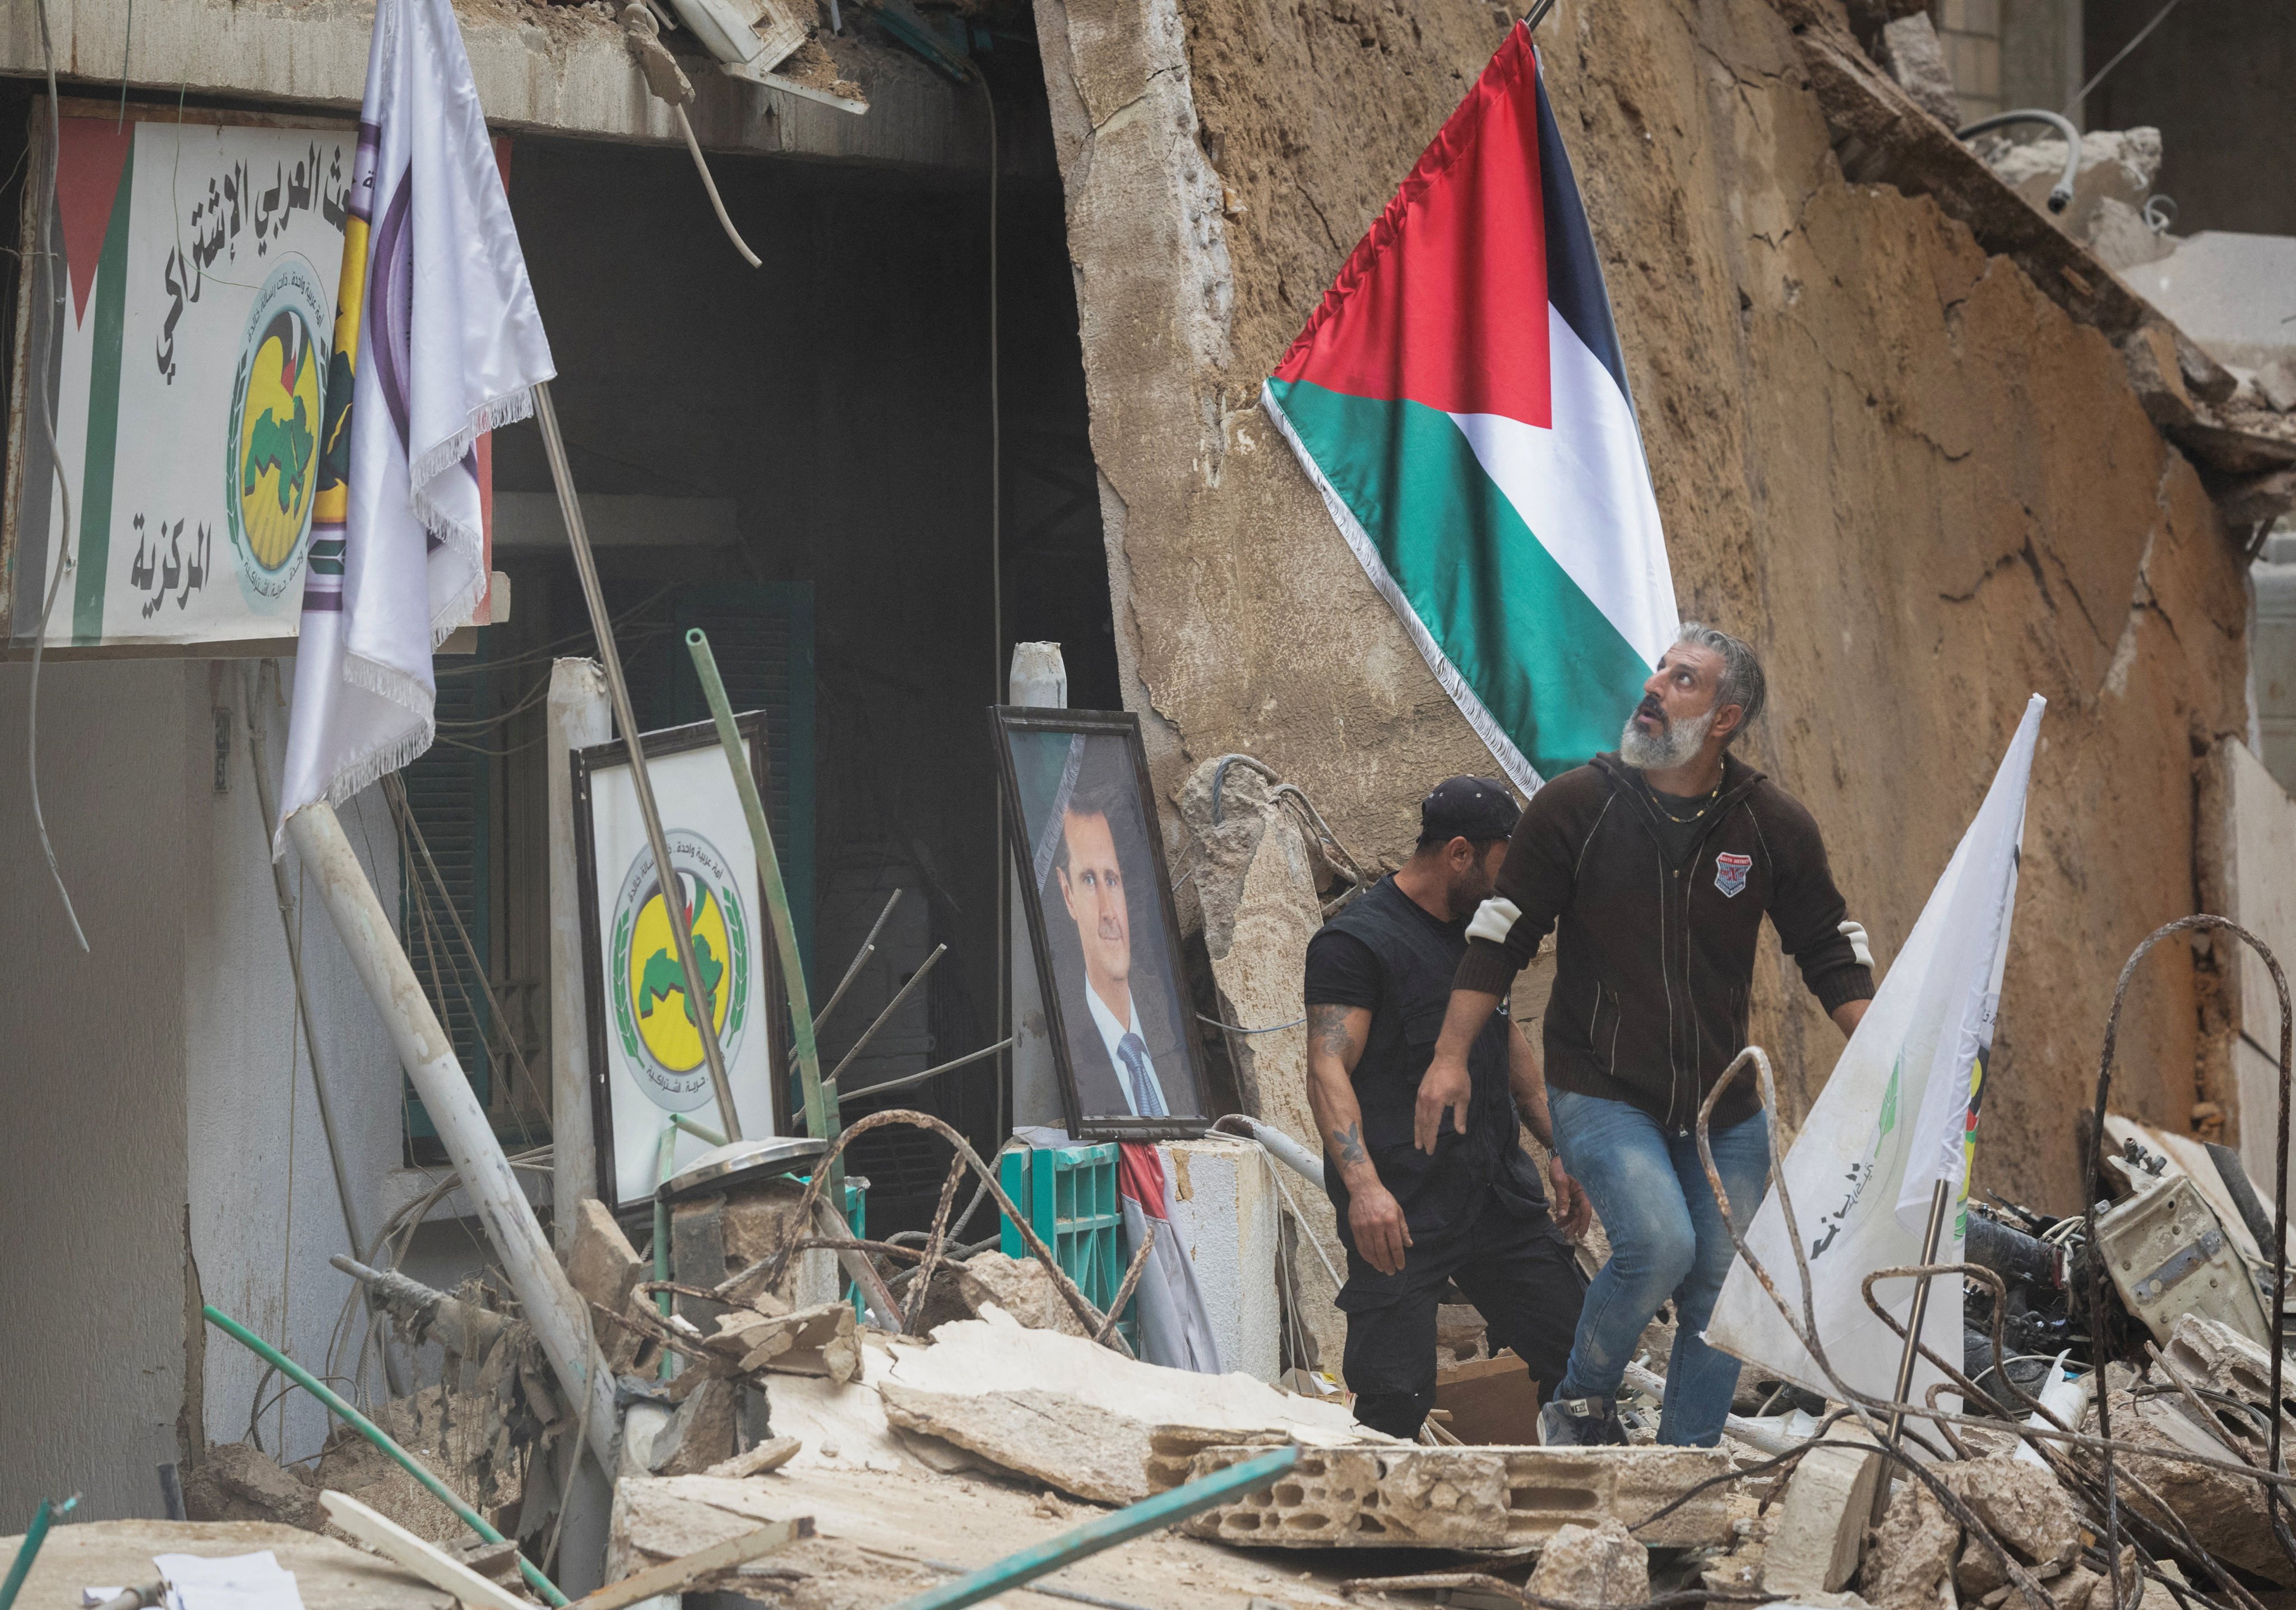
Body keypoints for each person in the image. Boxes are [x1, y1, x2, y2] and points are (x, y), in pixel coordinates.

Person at [1422, 624, 1876, 1448]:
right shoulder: (1578, 806)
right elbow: (1500, 935)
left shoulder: (1769, 824)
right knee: (1661, 1244)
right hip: (1600, 1088)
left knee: (1723, 1282)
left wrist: (1888, 1062)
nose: (1656, 686)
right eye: (1660, 669)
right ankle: (1581, 1406)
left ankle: (1683, 1469)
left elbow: (1829, 948)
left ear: (1726, 718)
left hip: (1722, 1107)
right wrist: (1450, 1058)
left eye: (1684, 679)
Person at [1303, 776, 1595, 1441]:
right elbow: (1326, 1066)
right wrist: (1364, 1188)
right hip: (1402, 1210)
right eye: (1504, 863)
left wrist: (1560, 1145)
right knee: (1394, 1400)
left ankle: (1590, 1516)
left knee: (1582, 1356)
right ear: (1459, 854)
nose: (1513, 882)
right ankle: (1385, 1537)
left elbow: (1504, 1035)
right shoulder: (1356, 943)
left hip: (1496, 1197)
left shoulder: (1482, 934)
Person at [1053, 776, 1181, 1119]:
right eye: (1090, 880)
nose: (1110, 912)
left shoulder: (1173, 1027)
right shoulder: (1064, 1044)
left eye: (1112, 879)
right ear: (1068, 894)